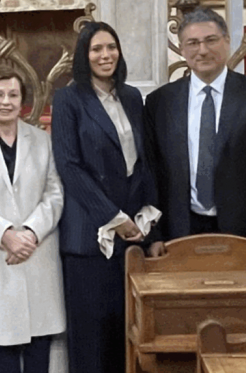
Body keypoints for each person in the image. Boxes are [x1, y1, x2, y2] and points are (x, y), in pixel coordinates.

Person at [51, 21, 157, 373]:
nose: (105, 55)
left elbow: (143, 162)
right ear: (84, 55)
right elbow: (69, 167)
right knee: (90, 341)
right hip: (89, 237)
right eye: (96, 49)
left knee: (124, 334)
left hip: (131, 236)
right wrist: (115, 217)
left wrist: (144, 218)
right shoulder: (68, 99)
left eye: (111, 47)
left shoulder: (132, 96)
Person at [145, 7, 246, 255]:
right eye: (193, 43)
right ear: (181, 49)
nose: (202, 50)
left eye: (211, 40)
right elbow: (152, 171)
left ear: (227, 41)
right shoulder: (161, 102)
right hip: (179, 232)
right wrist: (154, 235)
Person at [0, 67, 64, 373]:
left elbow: (55, 191)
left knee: (39, 344)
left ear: (22, 102)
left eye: (13, 95)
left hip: (37, 251)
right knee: (3, 345)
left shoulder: (43, 141)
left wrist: (30, 232)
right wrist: (6, 234)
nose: (6, 101)